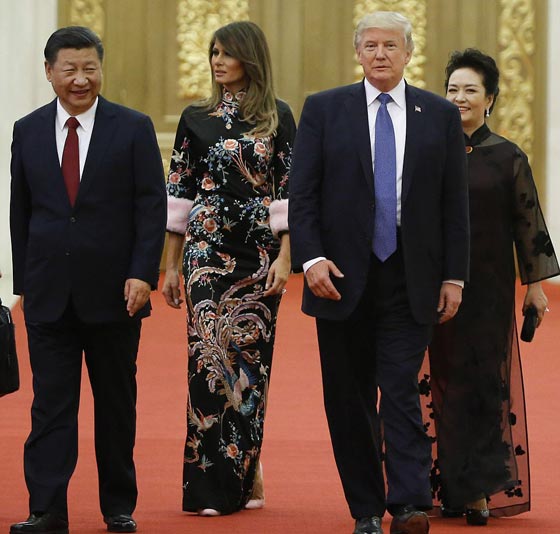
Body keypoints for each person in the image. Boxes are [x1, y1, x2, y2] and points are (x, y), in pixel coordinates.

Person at [288, 11, 470, 534]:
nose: (380, 54)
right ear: (357, 52)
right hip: (339, 276)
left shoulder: (438, 114)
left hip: (411, 277)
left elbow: (453, 203)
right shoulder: (325, 109)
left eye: (390, 45)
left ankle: (409, 505)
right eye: (370, 45)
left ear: (409, 52)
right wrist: (311, 258)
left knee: (400, 387)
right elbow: (302, 194)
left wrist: (454, 276)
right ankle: (365, 509)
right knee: (349, 398)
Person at [9, 26, 167, 534]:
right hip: (48, 293)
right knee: (50, 406)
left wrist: (142, 273)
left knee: (116, 404)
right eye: (70, 69)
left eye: (89, 68)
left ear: (101, 68)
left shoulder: (133, 127)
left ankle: (118, 505)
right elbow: (21, 211)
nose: (81, 79)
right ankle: (46, 509)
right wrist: (24, 282)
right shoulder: (28, 130)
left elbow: (151, 207)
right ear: (49, 72)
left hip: (116, 293)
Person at [162, 20, 296, 516]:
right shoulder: (195, 117)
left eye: (227, 53)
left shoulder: (277, 116)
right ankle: (209, 488)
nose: (218, 61)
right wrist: (170, 267)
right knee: (207, 363)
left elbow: (289, 192)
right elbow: (179, 191)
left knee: (248, 369)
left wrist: (287, 258)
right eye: (214, 53)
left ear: (250, 58)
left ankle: (245, 470)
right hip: (205, 252)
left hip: (258, 255)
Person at [425, 48, 560, 526]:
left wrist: (535, 287)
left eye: (470, 90)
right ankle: (449, 486)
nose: (460, 98)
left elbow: (528, 224)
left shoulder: (507, 156)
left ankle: (478, 488)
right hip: (435, 285)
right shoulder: (429, 151)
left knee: (483, 381)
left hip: (489, 288)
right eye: (452, 90)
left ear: (490, 100)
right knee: (443, 381)